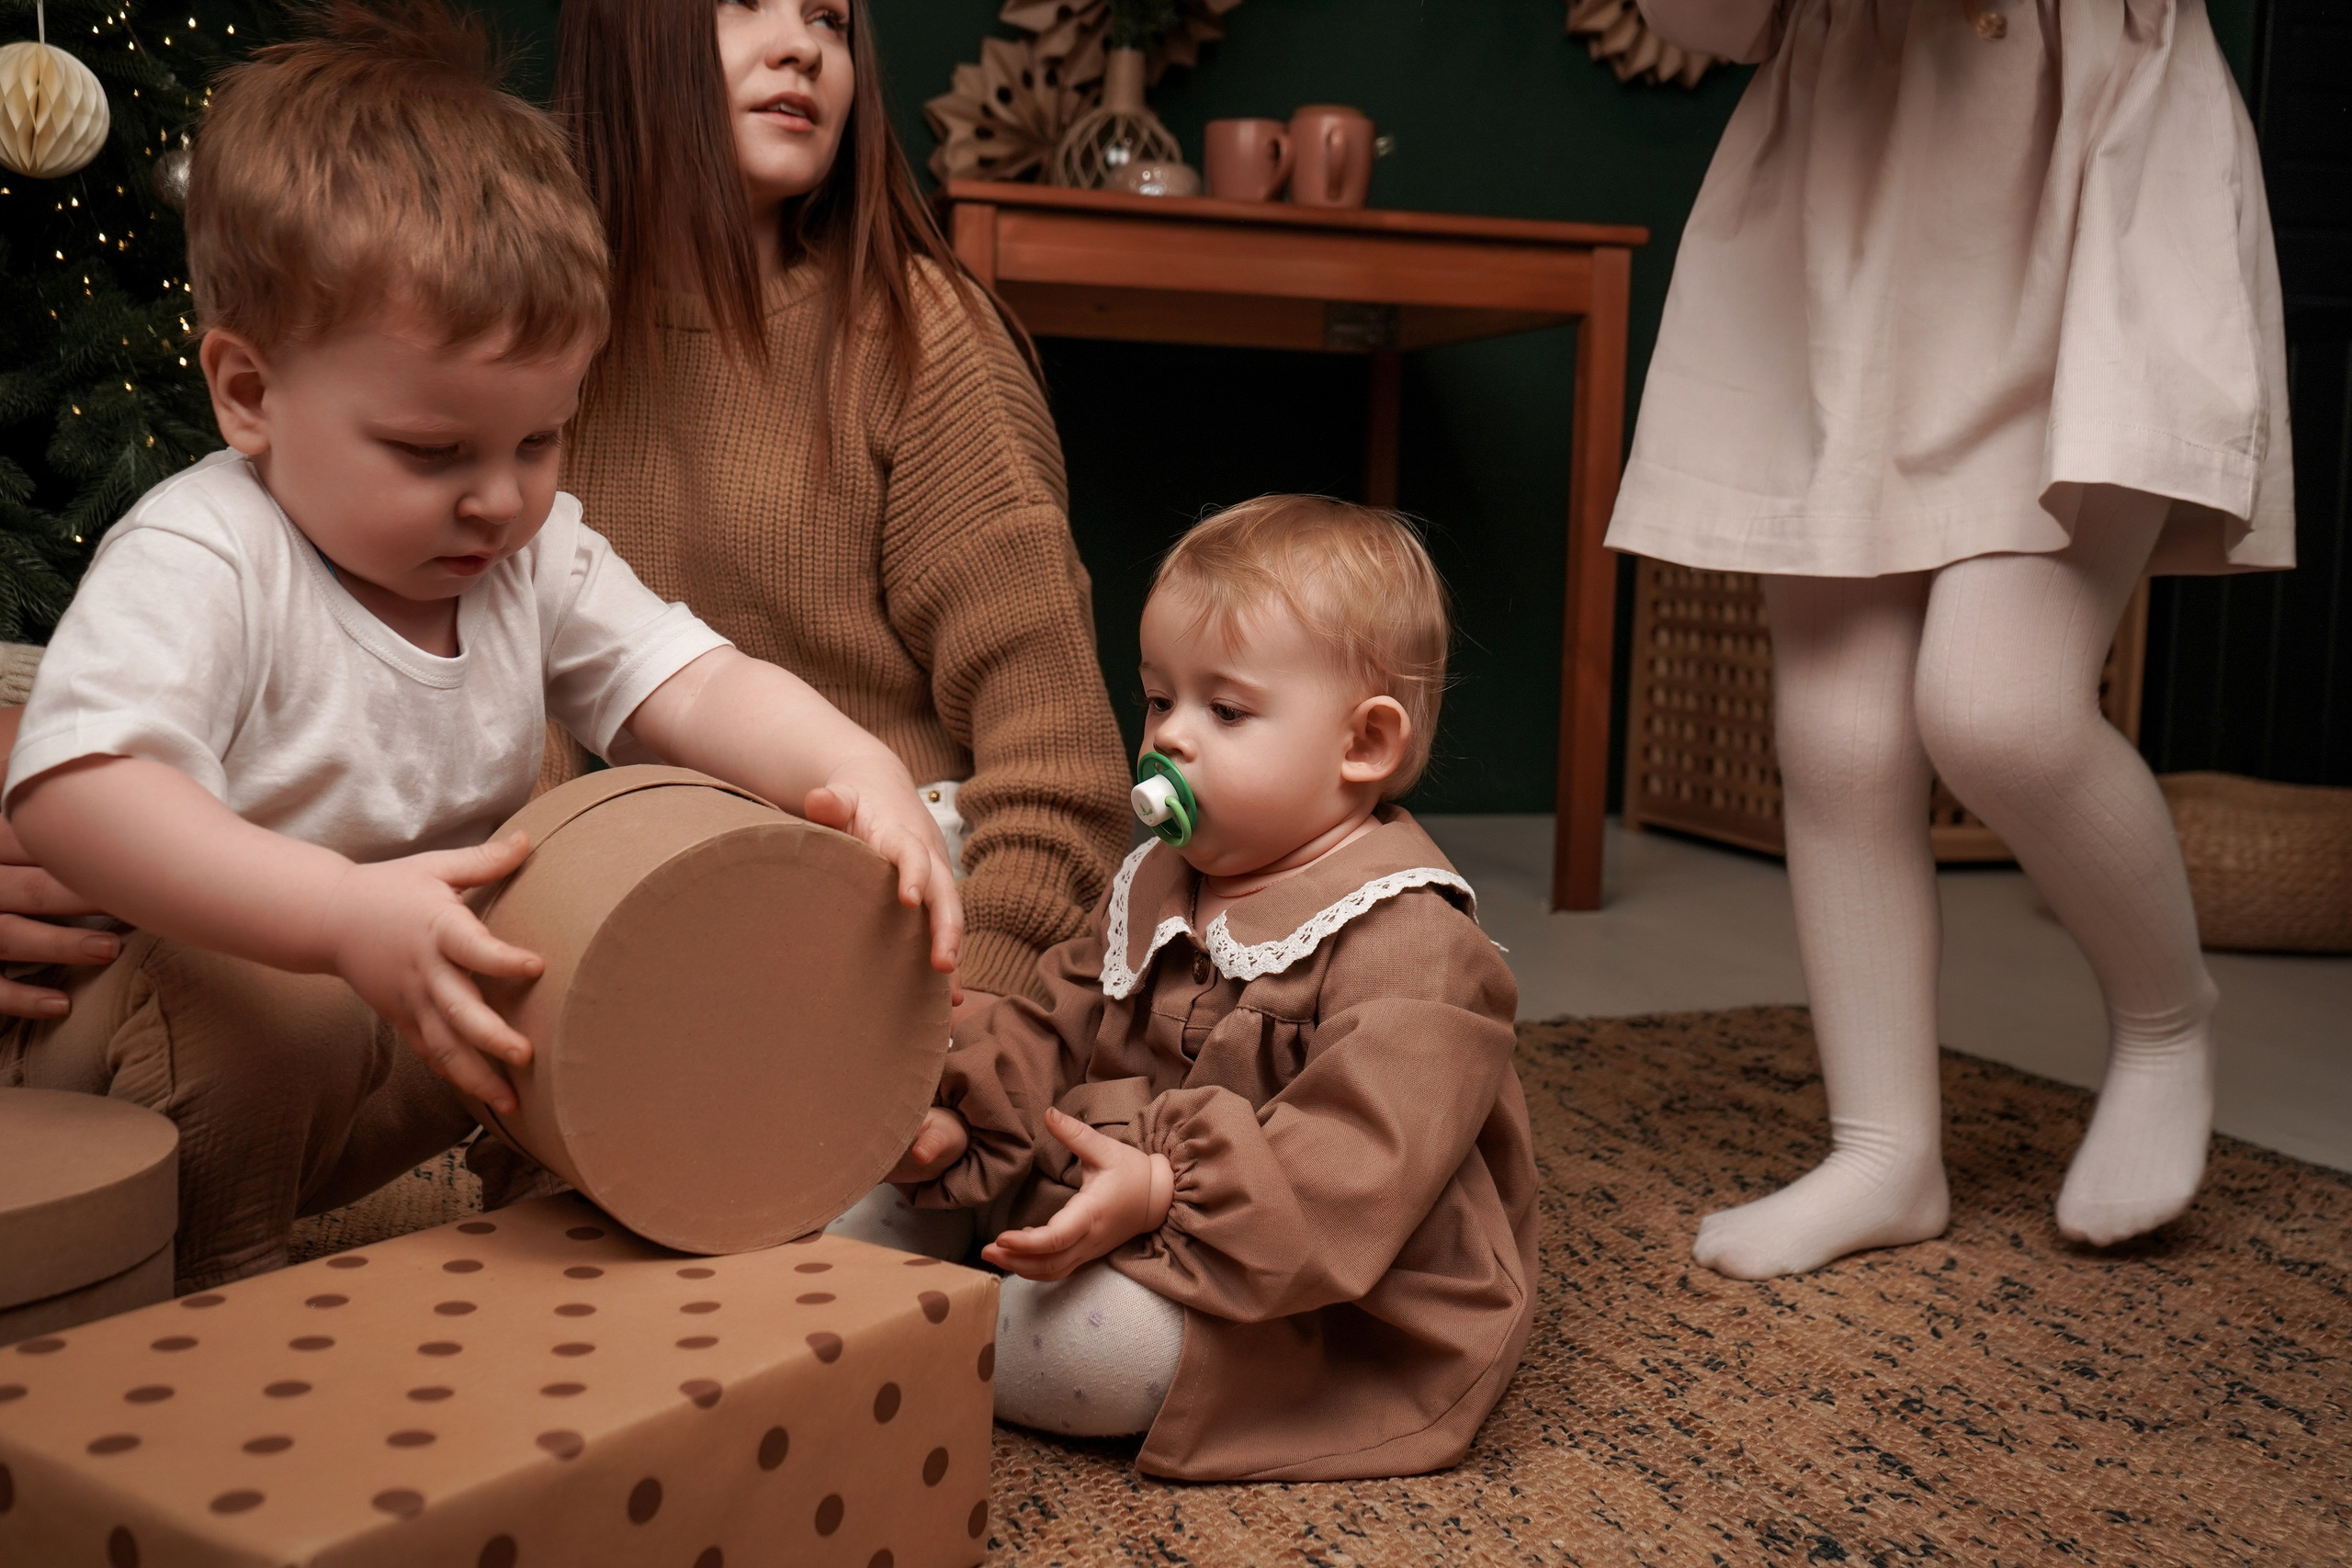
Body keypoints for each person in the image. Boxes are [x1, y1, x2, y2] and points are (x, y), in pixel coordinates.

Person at [0, 0, 959, 1292]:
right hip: (151, 1059)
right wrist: (337, 915)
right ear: (247, 394)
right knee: (259, 1000)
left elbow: (697, 678)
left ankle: (558, 1255)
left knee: (586, 913)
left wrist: (858, 769)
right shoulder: (206, 553)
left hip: (400, 1005)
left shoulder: (529, 554)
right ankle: (213, 1303)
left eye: (536, 439)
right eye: (432, 451)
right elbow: (75, 793)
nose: (497, 498)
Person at [1608, 0, 2293, 1277]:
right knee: (1840, 729)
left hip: (2088, 158)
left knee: (1997, 705)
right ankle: (1884, 1149)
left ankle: (2163, 1020)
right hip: (1851, 183)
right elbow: (1702, 20)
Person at [877, 497, 1540, 1482]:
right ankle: (886, 1277)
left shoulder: (1414, 951)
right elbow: (1059, 1016)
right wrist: (967, 1116)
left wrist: (1165, 1190)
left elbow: (1359, 1164)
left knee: (1096, 1349)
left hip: (1312, 1284)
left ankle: (916, 1343)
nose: (1170, 739)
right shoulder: (1155, 879)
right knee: (886, 1187)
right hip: (1118, 1192)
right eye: (1157, 700)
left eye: (1224, 711)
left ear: (1363, 744)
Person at [552, 0, 1129, 1018]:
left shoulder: (921, 338)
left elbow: (1059, 764)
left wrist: (985, 1010)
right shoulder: (536, 346)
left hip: (906, 892)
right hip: (640, 898)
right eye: (747, 5)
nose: (801, 46)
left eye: (828, 16)